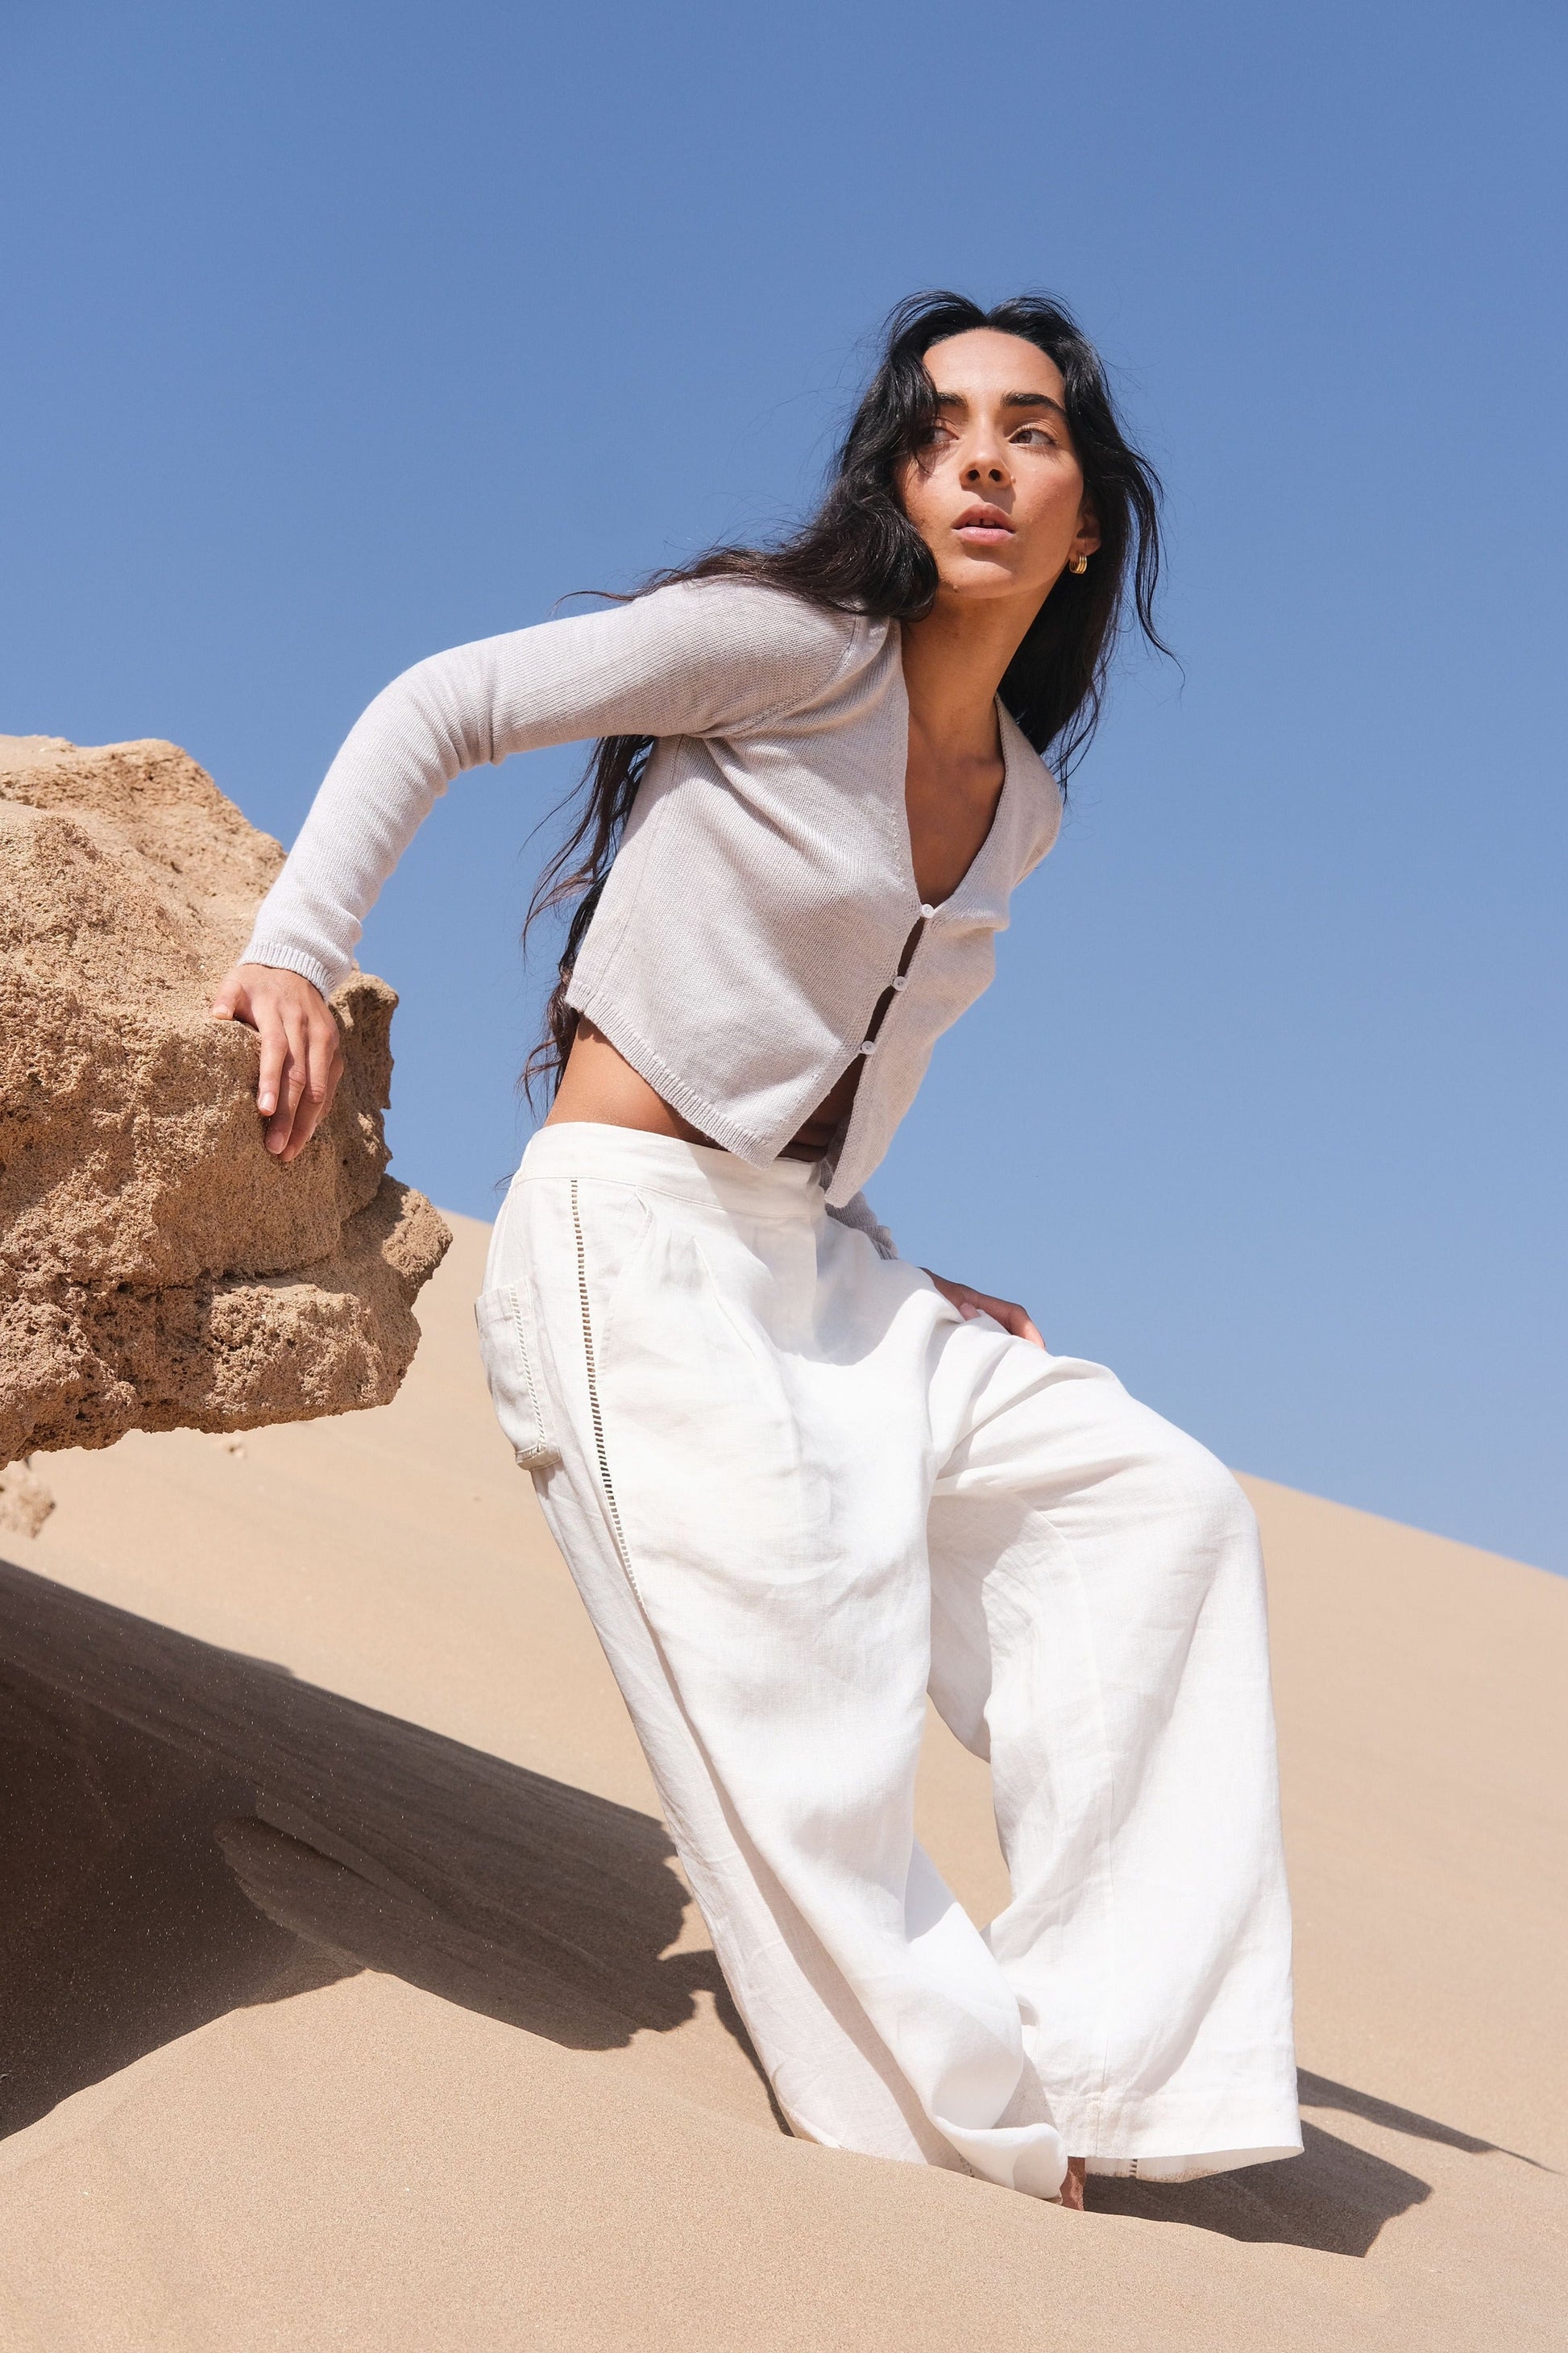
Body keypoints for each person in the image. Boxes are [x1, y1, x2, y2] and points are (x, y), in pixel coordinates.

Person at [212, 292, 1300, 2208]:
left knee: (1157, 1508)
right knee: (799, 1725)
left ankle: (1108, 2073)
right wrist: (299, 943)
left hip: (820, 1262)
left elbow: (830, 1060)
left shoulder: (1021, 810)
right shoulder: (792, 650)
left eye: (1029, 430)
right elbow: (445, 701)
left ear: (1087, 517)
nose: (983, 455)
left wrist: (880, 1253)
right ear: (898, 478)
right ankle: (964, 2156)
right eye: (942, 424)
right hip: (630, 1247)